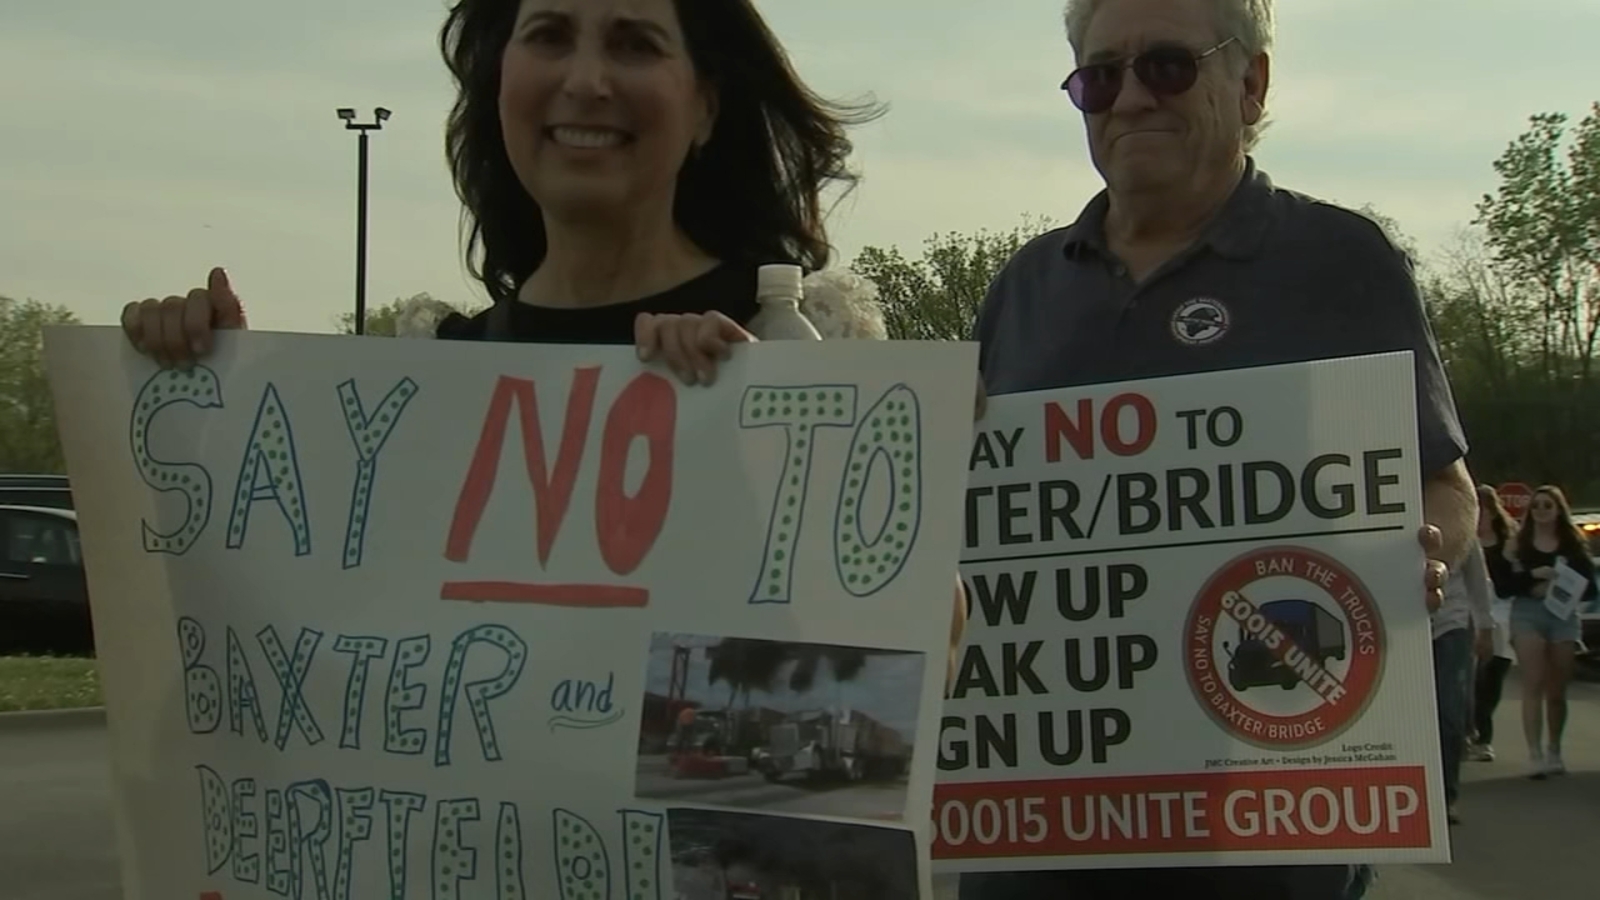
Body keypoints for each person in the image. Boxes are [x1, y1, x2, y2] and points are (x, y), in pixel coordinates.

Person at [114, 1, 968, 671]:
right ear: (501, 82)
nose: (587, 80)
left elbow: (928, 651)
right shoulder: (424, 382)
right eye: (550, 35)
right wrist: (202, 402)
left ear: (705, 105)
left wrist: (781, 452)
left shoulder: (798, 342)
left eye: (634, 43)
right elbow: (313, 655)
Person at [960, 1, 1474, 898]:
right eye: (1099, 78)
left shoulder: (1341, 260)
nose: (1128, 100)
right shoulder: (1024, 287)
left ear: (1253, 83)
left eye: (1166, 66)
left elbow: (1443, 486)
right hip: (1041, 837)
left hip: (1267, 835)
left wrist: (1414, 557)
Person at [1505, 485, 1597, 778]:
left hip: (1563, 616)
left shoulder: (1572, 544)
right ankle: (1534, 754)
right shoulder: (1520, 544)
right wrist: (1534, 580)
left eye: (1548, 506)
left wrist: (1565, 587)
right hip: (1527, 614)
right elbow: (1505, 585)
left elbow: (1589, 588)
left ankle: (1554, 748)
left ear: (1559, 510)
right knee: (1533, 682)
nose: (1542, 511)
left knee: (1557, 689)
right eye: (1536, 506)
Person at [1430, 542, 1493, 824]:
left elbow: (1478, 578)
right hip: (1401, 624)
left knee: (1449, 711)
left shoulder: (1457, 515)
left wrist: (1485, 626)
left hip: (1450, 624)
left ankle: (1446, 796)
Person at [1467, 484, 1518, 762]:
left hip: (1504, 615)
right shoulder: (1464, 541)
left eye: (1483, 510)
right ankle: (1477, 733)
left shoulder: (1508, 542)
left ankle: (1481, 732)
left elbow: (1514, 582)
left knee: (1494, 675)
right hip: (1472, 614)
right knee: (1474, 678)